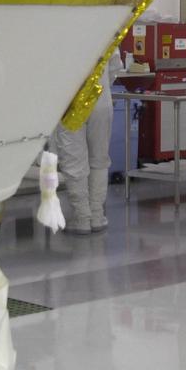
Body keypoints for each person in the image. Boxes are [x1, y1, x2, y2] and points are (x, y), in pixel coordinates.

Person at [51, 53, 122, 235]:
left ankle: (82, 218)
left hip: (72, 102)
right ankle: (97, 216)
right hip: (101, 98)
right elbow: (115, 66)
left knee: (75, 160)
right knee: (99, 158)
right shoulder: (103, 28)